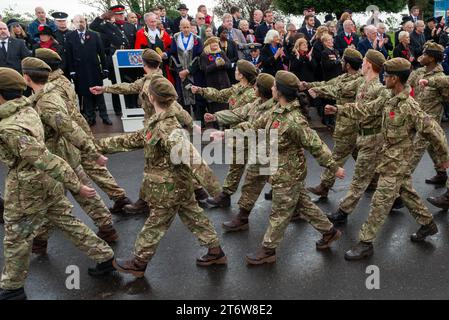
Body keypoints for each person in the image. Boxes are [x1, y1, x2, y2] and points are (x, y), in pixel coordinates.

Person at [0, 67, 115, 301]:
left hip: (27, 186)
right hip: (47, 183)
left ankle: (12, 286)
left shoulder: (10, 127)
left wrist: (76, 184)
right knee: (67, 221)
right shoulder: (27, 108)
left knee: (16, 237)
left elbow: (44, 157)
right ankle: (104, 256)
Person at [96, 75, 227, 277]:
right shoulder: (158, 123)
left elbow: (195, 161)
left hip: (169, 189)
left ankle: (138, 263)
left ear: (151, 96)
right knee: (195, 217)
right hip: (178, 186)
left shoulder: (168, 129)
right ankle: (216, 252)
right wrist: (93, 146)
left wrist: (218, 193)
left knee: (154, 224)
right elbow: (132, 140)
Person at [329, 58, 449, 260]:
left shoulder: (409, 106)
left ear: (395, 79)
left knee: (380, 201)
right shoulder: (389, 98)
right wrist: (339, 109)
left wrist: (443, 158)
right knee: (407, 193)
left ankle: (366, 242)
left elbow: (434, 131)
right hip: (388, 158)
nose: (384, 78)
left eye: (387, 76)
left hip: (398, 163)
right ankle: (428, 225)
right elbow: (366, 108)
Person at [224, 71, 343, 264]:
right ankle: (329, 232)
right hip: (278, 171)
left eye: (274, 86)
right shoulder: (277, 110)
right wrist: (227, 134)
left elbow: (316, 144)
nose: (271, 88)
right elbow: (255, 126)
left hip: (289, 174)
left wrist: (333, 167)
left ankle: (268, 250)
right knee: (303, 203)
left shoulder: (294, 120)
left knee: (279, 213)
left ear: (280, 91)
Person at [21, 57, 118, 255]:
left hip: (57, 156)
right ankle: (106, 227)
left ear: (26, 77)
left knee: (53, 199)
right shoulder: (45, 95)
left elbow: (68, 127)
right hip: (62, 154)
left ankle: (42, 241)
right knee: (71, 195)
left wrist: (93, 152)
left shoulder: (47, 102)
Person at [35, 48, 132, 216]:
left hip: (69, 134)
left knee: (67, 173)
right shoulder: (62, 80)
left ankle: (62, 212)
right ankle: (119, 198)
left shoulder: (50, 87)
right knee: (93, 167)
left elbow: (60, 117)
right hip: (79, 129)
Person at [324, 50, 388, 224]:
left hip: (372, 139)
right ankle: (398, 198)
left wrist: (339, 109)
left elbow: (365, 110)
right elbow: (357, 107)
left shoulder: (379, 89)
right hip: (362, 136)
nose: (362, 63)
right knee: (392, 176)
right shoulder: (363, 85)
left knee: (359, 178)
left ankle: (343, 212)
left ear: (369, 64)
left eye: (364, 61)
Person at [191, 60, 257, 208]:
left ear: (242, 75)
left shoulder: (252, 93)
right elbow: (220, 95)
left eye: (237, 70)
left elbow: (239, 114)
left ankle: (287, 194)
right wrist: (201, 90)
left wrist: (216, 116)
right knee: (237, 165)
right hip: (237, 134)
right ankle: (225, 196)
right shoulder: (237, 89)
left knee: (261, 168)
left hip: (249, 133)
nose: (234, 72)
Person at [305, 48, 364, 197]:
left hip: (350, 123)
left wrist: (317, 90)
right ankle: (376, 181)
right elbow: (328, 83)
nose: (342, 63)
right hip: (345, 123)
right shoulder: (344, 77)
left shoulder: (359, 80)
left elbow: (336, 90)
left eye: (344, 61)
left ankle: (324, 186)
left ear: (349, 65)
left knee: (337, 155)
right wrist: (309, 85)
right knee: (360, 155)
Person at [406, 42, 448, 190]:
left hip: (429, 122)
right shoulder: (419, 72)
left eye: (424, 55)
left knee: (413, 152)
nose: (421, 57)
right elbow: (406, 85)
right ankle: (442, 173)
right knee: (432, 147)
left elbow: (446, 99)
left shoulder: (441, 78)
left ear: (431, 58)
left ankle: (398, 187)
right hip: (415, 117)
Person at [90, 5, 138, 115]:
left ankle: (132, 106)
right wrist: (102, 17)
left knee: (131, 83)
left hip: (130, 60)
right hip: (115, 60)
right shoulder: (107, 26)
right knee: (116, 85)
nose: (121, 16)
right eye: (118, 14)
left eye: (122, 13)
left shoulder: (130, 26)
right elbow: (93, 26)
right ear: (113, 15)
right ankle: (118, 109)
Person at [66, 15, 112, 126]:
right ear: (73, 23)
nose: (80, 24)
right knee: (86, 95)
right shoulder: (70, 36)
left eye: (82, 21)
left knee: (99, 93)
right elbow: (69, 55)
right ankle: (90, 117)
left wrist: (105, 68)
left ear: (85, 22)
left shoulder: (94, 35)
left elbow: (101, 53)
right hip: (80, 71)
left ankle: (104, 116)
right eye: (77, 22)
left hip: (94, 69)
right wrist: (72, 71)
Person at [169, 19, 207, 122]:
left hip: (195, 74)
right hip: (180, 74)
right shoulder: (175, 38)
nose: (186, 29)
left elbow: (200, 56)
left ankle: (199, 122)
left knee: (197, 96)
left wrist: (189, 70)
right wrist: (180, 70)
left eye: (187, 27)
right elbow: (173, 55)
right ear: (180, 28)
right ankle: (185, 122)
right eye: (183, 27)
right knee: (181, 97)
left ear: (190, 27)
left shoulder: (197, 39)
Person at [199, 37, 232, 115]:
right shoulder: (204, 55)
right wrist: (215, 65)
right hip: (212, 83)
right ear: (208, 45)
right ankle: (215, 124)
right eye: (213, 43)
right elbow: (205, 69)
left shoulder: (221, 53)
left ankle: (226, 124)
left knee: (225, 104)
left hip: (224, 82)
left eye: (216, 43)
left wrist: (224, 63)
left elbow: (229, 65)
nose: (215, 44)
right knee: (214, 105)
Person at [52, 12, 70, 79]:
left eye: (64, 20)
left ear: (67, 21)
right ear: (55, 22)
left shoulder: (73, 33)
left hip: (74, 64)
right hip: (60, 65)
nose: (62, 22)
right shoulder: (53, 36)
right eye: (59, 21)